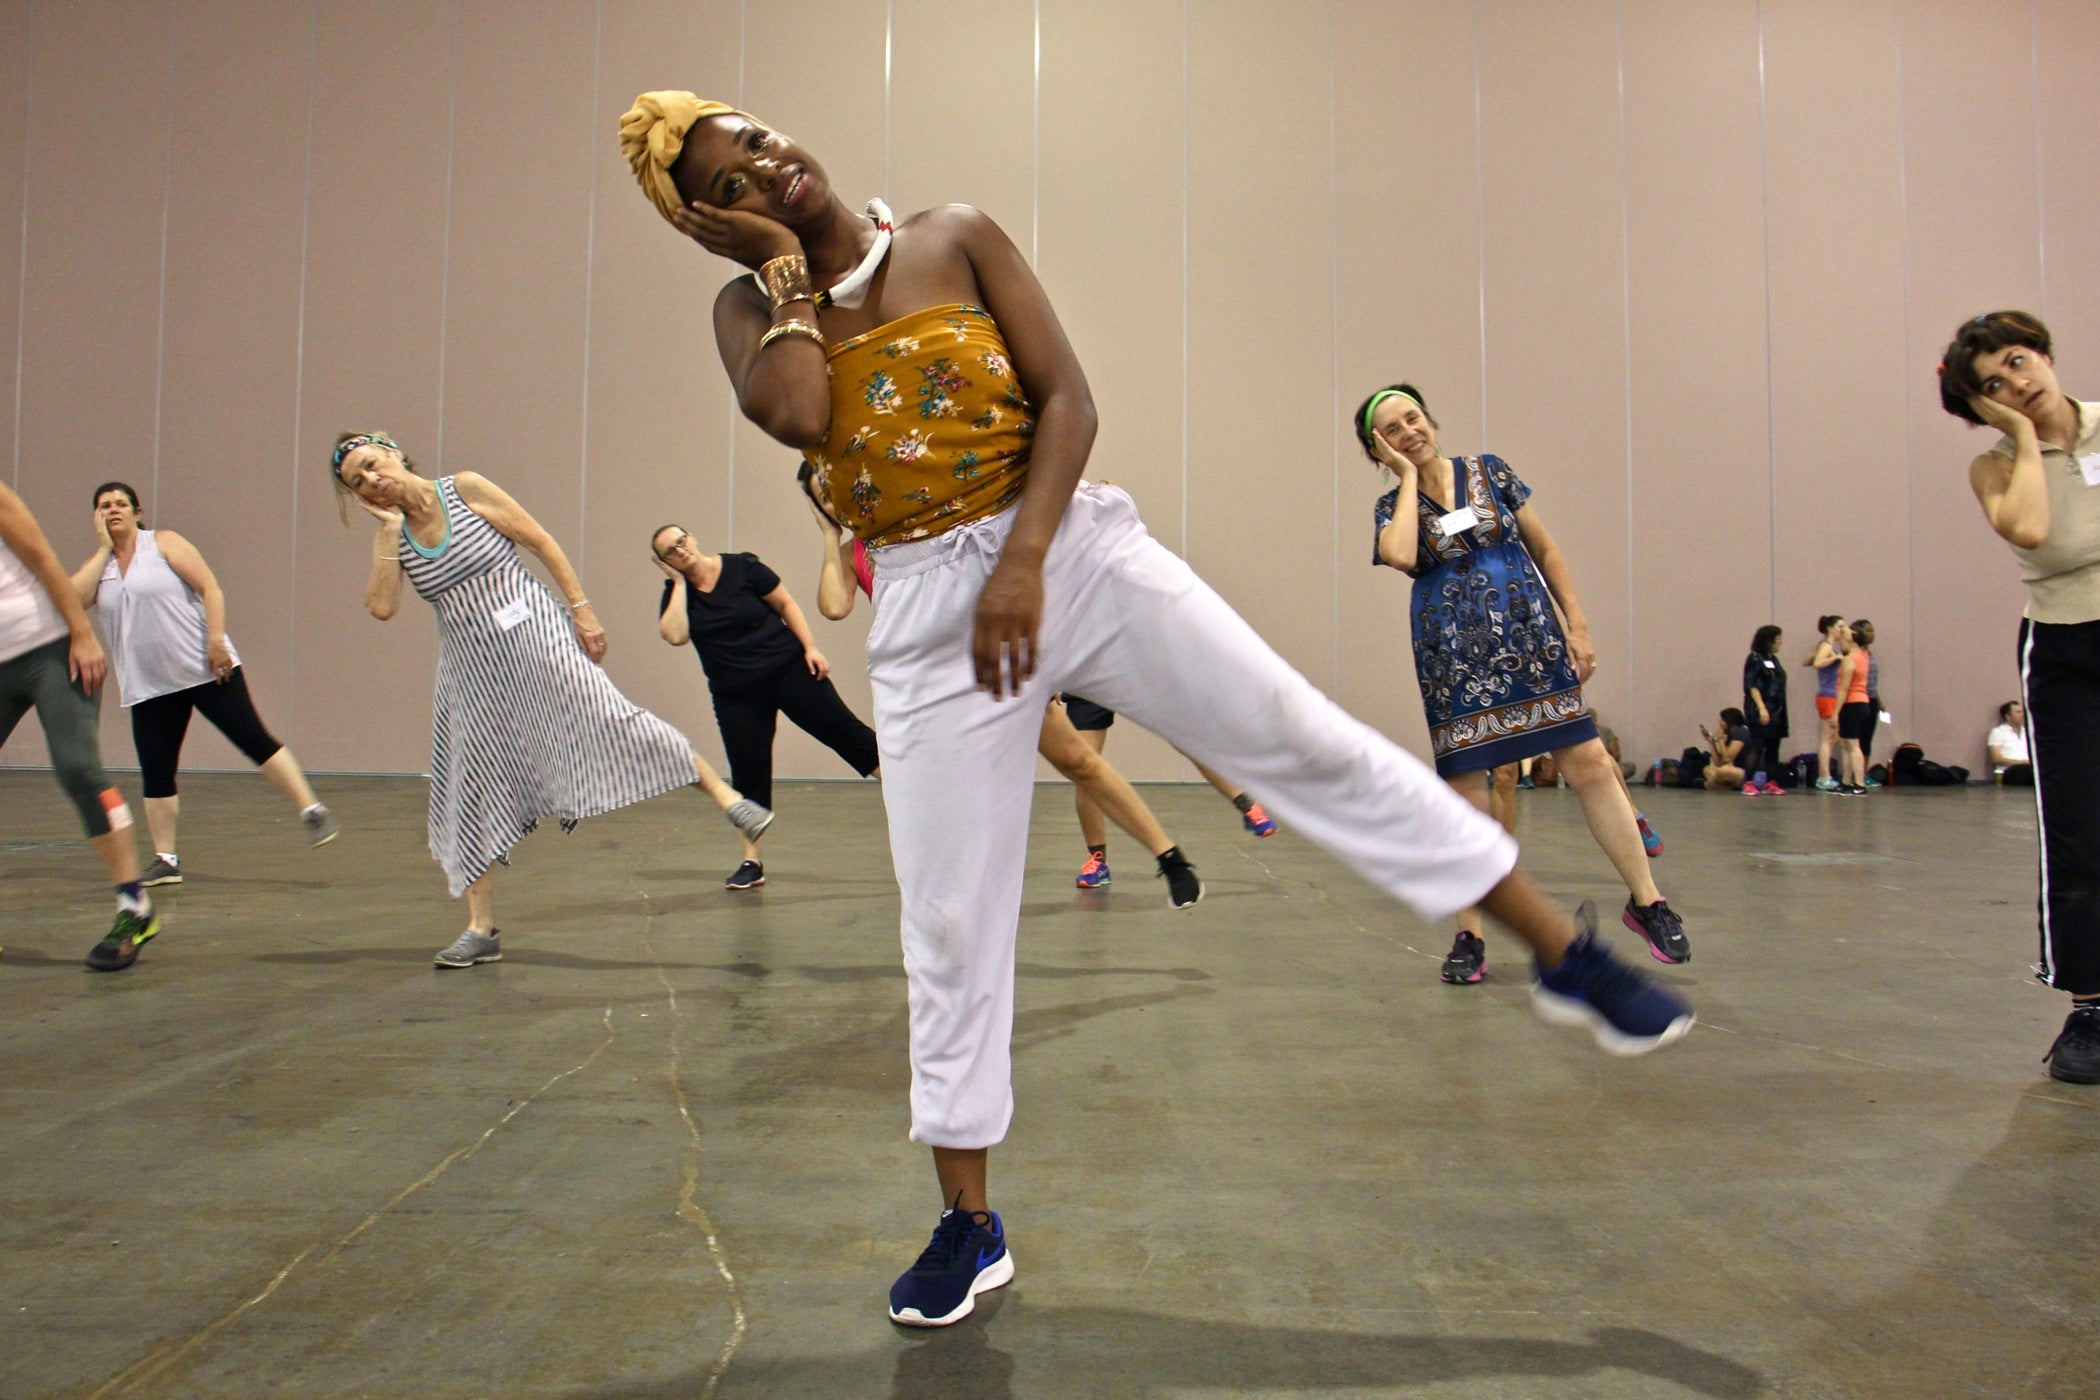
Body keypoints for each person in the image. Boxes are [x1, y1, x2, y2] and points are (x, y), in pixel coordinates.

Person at [620, 92, 1691, 1326]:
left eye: (757, 136)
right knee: (950, 919)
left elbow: (1068, 397)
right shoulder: (749, 316)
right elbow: (800, 415)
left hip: (1072, 548)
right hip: (920, 611)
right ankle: (969, 1222)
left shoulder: (948, 234)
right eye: (728, 178)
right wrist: (779, 272)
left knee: (1299, 738)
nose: (763, 166)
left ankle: (1566, 951)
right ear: (705, 224)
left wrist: (1024, 561)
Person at [329, 431, 774, 967]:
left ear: (396, 452)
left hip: (533, 628)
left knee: (611, 715)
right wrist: (388, 533)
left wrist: (581, 609)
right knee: (468, 784)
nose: (373, 481)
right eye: (359, 481)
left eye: (373, 465)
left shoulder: (464, 489)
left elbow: (540, 541)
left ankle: (731, 802)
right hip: (471, 667)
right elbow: (381, 607)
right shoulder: (394, 537)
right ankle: (480, 927)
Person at [1361, 381, 1692, 981]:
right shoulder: (1392, 509)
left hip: (1531, 637)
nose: (1411, 432)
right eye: (1393, 431)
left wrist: (1579, 624)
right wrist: (1407, 478)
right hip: (1454, 660)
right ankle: (1470, 934)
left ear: (1431, 418)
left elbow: (1543, 546)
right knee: (1467, 794)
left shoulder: (1491, 472)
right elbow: (1404, 556)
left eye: (1415, 419)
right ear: (1379, 449)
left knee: (1588, 760)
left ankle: (1648, 901)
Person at [802, 468, 1204, 909]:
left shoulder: (919, 524)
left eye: (834, 490)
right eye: (823, 500)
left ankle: (1170, 858)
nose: (834, 503)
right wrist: (828, 534)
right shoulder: (850, 555)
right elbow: (834, 607)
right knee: (950, 795)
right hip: (934, 688)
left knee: (1079, 761)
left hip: (994, 663)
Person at [1938, 308, 2100, 1083]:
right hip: (2066, 651)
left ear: (2044, 352)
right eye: (1992, 387)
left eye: (2019, 362)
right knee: (2077, 832)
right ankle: (2091, 1008)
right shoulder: (1997, 467)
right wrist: (2030, 437)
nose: (2017, 385)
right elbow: (2035, 532)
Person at [68, 481, 336, 886]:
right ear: (96, 516)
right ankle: (166, 860)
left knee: (254, 739)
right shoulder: (100, 567)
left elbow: (210, 587)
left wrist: (216, 641)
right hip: (149, 685)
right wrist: (104, 547)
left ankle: (311, 810)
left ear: (138, 512)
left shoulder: (163, 543)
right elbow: (72, 599)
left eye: (121, 503)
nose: (114, 510)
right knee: (157, 771)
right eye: (105, 506)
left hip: (204, 668)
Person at [653, 522, 878, 889]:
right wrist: (678, 585)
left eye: (681, 541)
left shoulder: (742, 567)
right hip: (736, 695)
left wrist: (811, 648)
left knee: (846, 733)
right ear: (665, 562)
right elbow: (675, 636)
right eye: (670, 552)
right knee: (748, 773)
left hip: (789, 670)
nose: (681, 551)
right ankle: (751, 861)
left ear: (692, 537)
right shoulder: (678, 595)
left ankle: (908, 796)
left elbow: (785, 603)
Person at [0, 481, 160, 970]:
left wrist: (82, 633)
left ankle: (134, 906)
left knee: (78, 770)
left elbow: (43, 558)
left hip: (49, 647)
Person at [1059, 694, 1276, 889]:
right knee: (1084, 765)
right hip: (1090, 676)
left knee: (1187, 741)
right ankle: (1097, 861)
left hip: (1135, 671)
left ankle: (1247, 806)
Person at [1802, 615, 1848, 791]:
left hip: (1829, 696)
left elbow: (1807, 661)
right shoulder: (1827, 647)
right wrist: (1835, 659)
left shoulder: (1824, 646)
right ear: (1830, 628)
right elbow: (1817, 663)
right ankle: (1824, 776)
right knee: (1827, 738)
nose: (1842, 630)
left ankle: (1824, 774)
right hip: (1827, 696)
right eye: (1840, 626)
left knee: (1831, 737)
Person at [1741, 624, 1789, 794]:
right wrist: (1761, 708)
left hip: (1777, 709)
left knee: (1773, 747)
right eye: (1778, 639)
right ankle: (1748, 781)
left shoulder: (1774, 660)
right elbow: (1752, 685)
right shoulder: (1754, 659)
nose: (1781, 643)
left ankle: (1771, 781)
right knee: (1758, 745)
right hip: (1761, 707)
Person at [1833, 621, 1873, 795]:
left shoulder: (1850, 659)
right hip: (1862, 702)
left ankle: (1859, 783)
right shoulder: (1864, 655)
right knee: (1846, 744)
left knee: (1853, 745)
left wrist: (1835, 711)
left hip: (1852, 704)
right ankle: (1846, 782)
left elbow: (1844, 688)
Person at [1700, 709, 1752, 791]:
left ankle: (1716, 783)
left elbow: (1728, 758)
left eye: (1722, 720)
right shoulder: (1731, 736)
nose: (1720, 724)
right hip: (1735, 772)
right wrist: (1711, 742)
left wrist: (1720, 738)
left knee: (1724, 771)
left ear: (1730, 721)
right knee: (1707, 769)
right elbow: (1719, 763)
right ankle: (1724, 786)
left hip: (1748, 774)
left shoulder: (1742, 732)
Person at [1988, 700, 2033, 785]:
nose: (2023, 715)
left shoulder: (2028, 732)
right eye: (2018, 712)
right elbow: (1996, 758)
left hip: (2028, 768)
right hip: (2009, 771)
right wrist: (2023, 762)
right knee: (2030, 770)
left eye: (2023, 712)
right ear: (2008, 716)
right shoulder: (1998, 732)